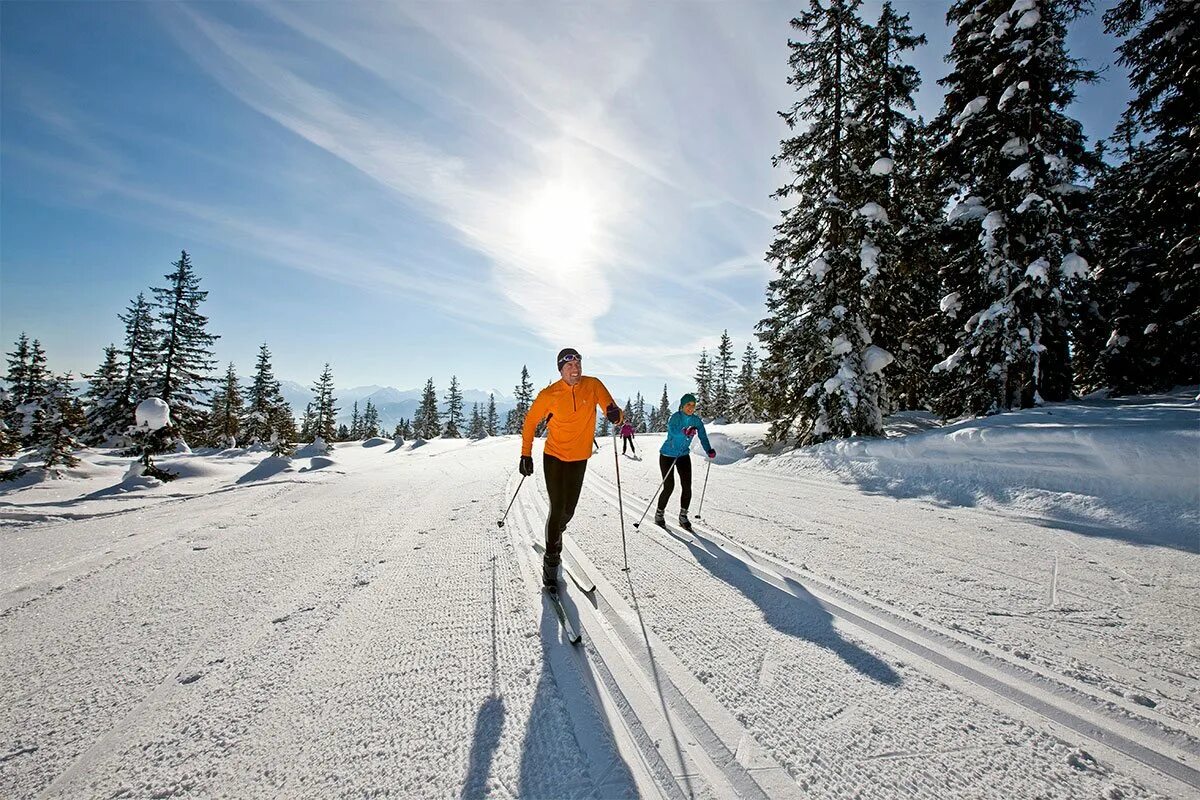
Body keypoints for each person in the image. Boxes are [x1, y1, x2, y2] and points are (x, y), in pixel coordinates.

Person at [520, 348, 622, 591]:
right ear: (560, 369)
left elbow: (613, 410)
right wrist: (525, 454)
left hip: (579, 458)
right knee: (557, 510)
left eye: (578, 363)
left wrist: (615, 415)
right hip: (554, 456)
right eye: (569, 366)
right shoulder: (550, 394)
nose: (575, 369)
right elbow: (530, 422)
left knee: (569, 510)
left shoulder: (593, 385)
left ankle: (554, 535)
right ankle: (551, 564)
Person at [655, 393, 715, 533]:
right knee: (669, 486)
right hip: (667, 454)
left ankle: (683, 516)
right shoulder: (675, 417)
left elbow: (703, 437)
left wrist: (709, 450)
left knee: (687, 486)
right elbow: (673, 431)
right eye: (688, 405)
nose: (691, 408)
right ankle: (659, 514)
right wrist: (685, 431)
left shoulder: (696, 421)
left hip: (683, 455)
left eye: (693, 405)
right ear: (682, 406)